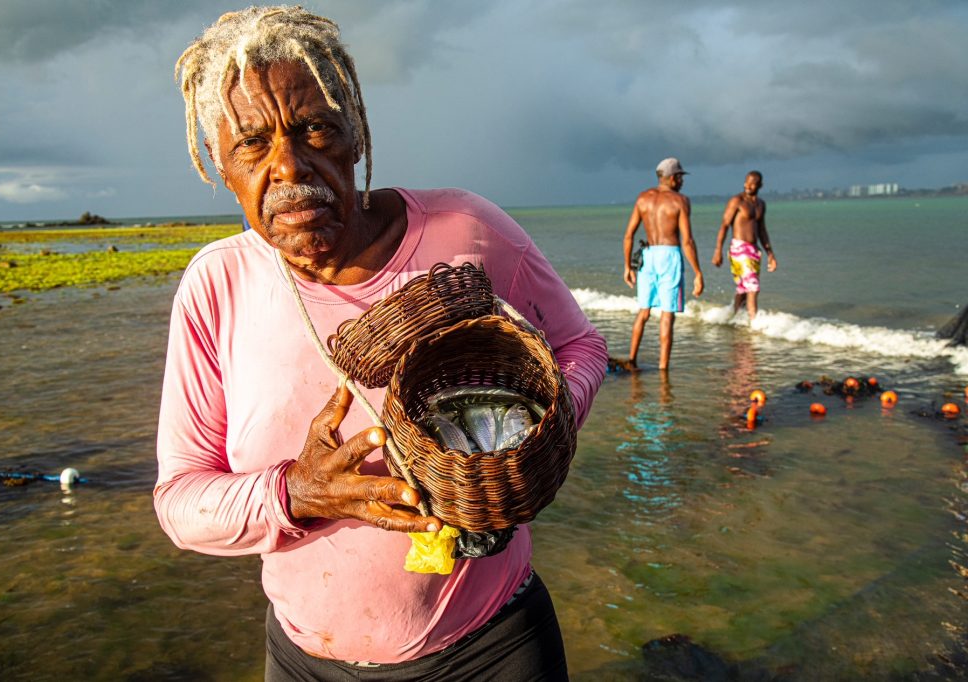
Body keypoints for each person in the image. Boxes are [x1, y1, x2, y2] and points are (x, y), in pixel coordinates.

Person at [154, 6, 607, 681]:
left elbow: (579, 346)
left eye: (315, 129)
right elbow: (182, 504)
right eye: (252, 143)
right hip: (307, 661)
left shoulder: (467, 231)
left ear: (357, 135)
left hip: (492, 647)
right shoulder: (217, 285)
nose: (288, 165)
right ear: (221, 164)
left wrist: (537, 431)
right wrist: (300, 494)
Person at [622, 157, 704, 371]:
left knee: (644, 311)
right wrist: (698, 272)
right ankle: (663, 368)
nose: (683, 181)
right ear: (672, 178)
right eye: (680, 177)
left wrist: (627, 267)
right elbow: (687, 240)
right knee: (667, 314)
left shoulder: (643, 198)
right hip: (670, 256)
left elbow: (629, 235)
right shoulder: (680, 201)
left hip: (648, 256)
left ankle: (632, 359)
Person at [712, 171, 777, 320]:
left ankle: (734, 319)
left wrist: (770, 254)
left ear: (760, 185)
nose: (748, 185)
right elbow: (724, 225)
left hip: (754, 251)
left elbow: (762, 231)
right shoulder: (737, 201)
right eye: (746, 181)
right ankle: (754, 324)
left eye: (752, 183)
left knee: (743, 288)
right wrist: (718, 251)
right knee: (753, 286)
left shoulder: (761, 204)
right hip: (739, 249)